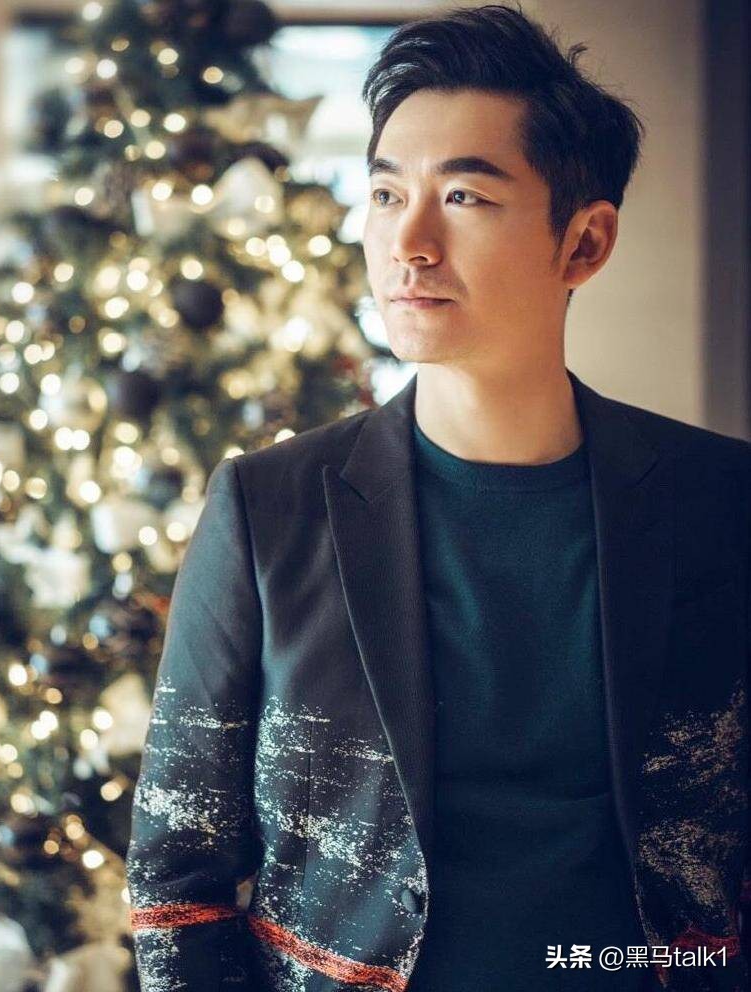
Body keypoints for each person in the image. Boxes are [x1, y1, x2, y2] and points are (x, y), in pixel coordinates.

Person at [125, 4, 751, 990]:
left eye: (462, 196)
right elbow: (177, 877)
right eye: (384, 193)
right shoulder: (269, 508)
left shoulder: (720, 501)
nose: (408, 242)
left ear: (584, 243)